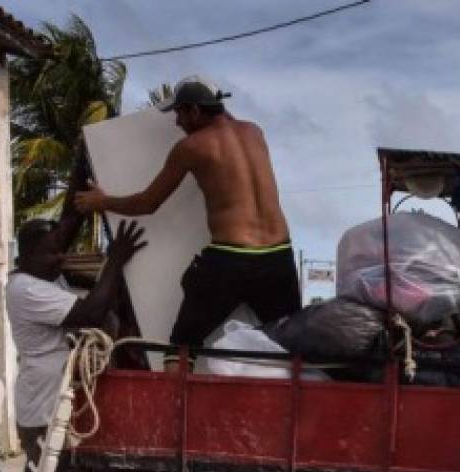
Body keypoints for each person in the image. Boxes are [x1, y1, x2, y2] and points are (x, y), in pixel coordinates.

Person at [75, 76, 300, 366]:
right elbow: (223, 117)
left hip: (229, 259)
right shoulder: (255, 132)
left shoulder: (192, 147)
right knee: (295, 347)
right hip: (277, 257)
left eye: (180, 113)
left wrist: (102, 201)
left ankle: (173, 411)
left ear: (195, 110)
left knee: (181, 348)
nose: (176, 123)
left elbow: (148, 203)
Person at [6, 157, 147, 472]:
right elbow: (88, 312)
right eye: (50, 253)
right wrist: (116, 263)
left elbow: (65, 226)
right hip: (44, 413)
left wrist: (79, 168)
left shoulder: (42, 271)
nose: (60, 257)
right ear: (26, 256)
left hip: (54, 408)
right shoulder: (28, 288)